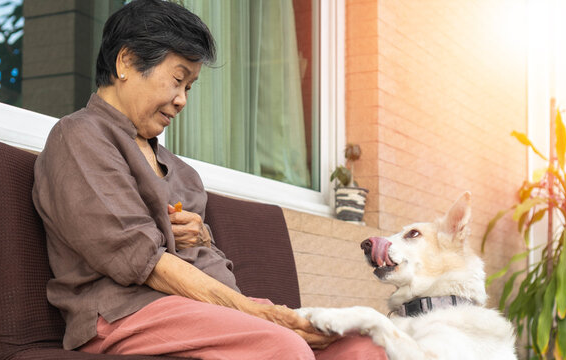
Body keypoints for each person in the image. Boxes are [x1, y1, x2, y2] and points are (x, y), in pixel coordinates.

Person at [32, 1, 387, 359]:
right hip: (124, 313)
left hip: (204, 310)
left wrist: (202, 237)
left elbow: (206, 261)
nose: (182, 100)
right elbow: (141, 260)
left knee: (358, 348)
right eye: (177, 79)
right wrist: (258, 313)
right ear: (126, 62)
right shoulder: (80, 137)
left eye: (190, 87)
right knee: (281, 346)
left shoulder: (182, 172)